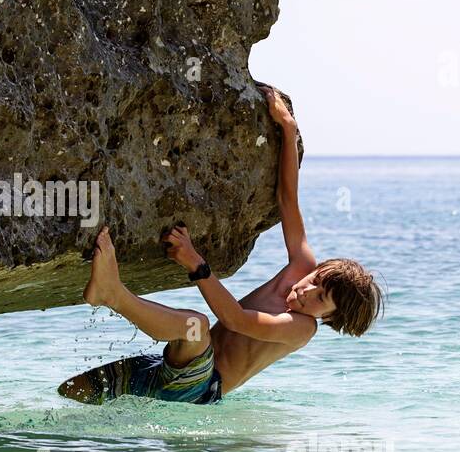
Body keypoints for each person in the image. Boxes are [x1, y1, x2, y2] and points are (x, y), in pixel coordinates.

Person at [58, 88, 383, 405]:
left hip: (199, 389)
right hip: (177, 366)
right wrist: (288, 129)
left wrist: (196, 265)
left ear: (329, 316)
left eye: (320, 298)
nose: (307, 290)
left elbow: (236, 320)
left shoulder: (301, 328)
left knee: (195, 325)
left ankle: (112, 294)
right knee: (71, 392)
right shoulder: (301, 265)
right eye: (315, 281)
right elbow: (287, 200)